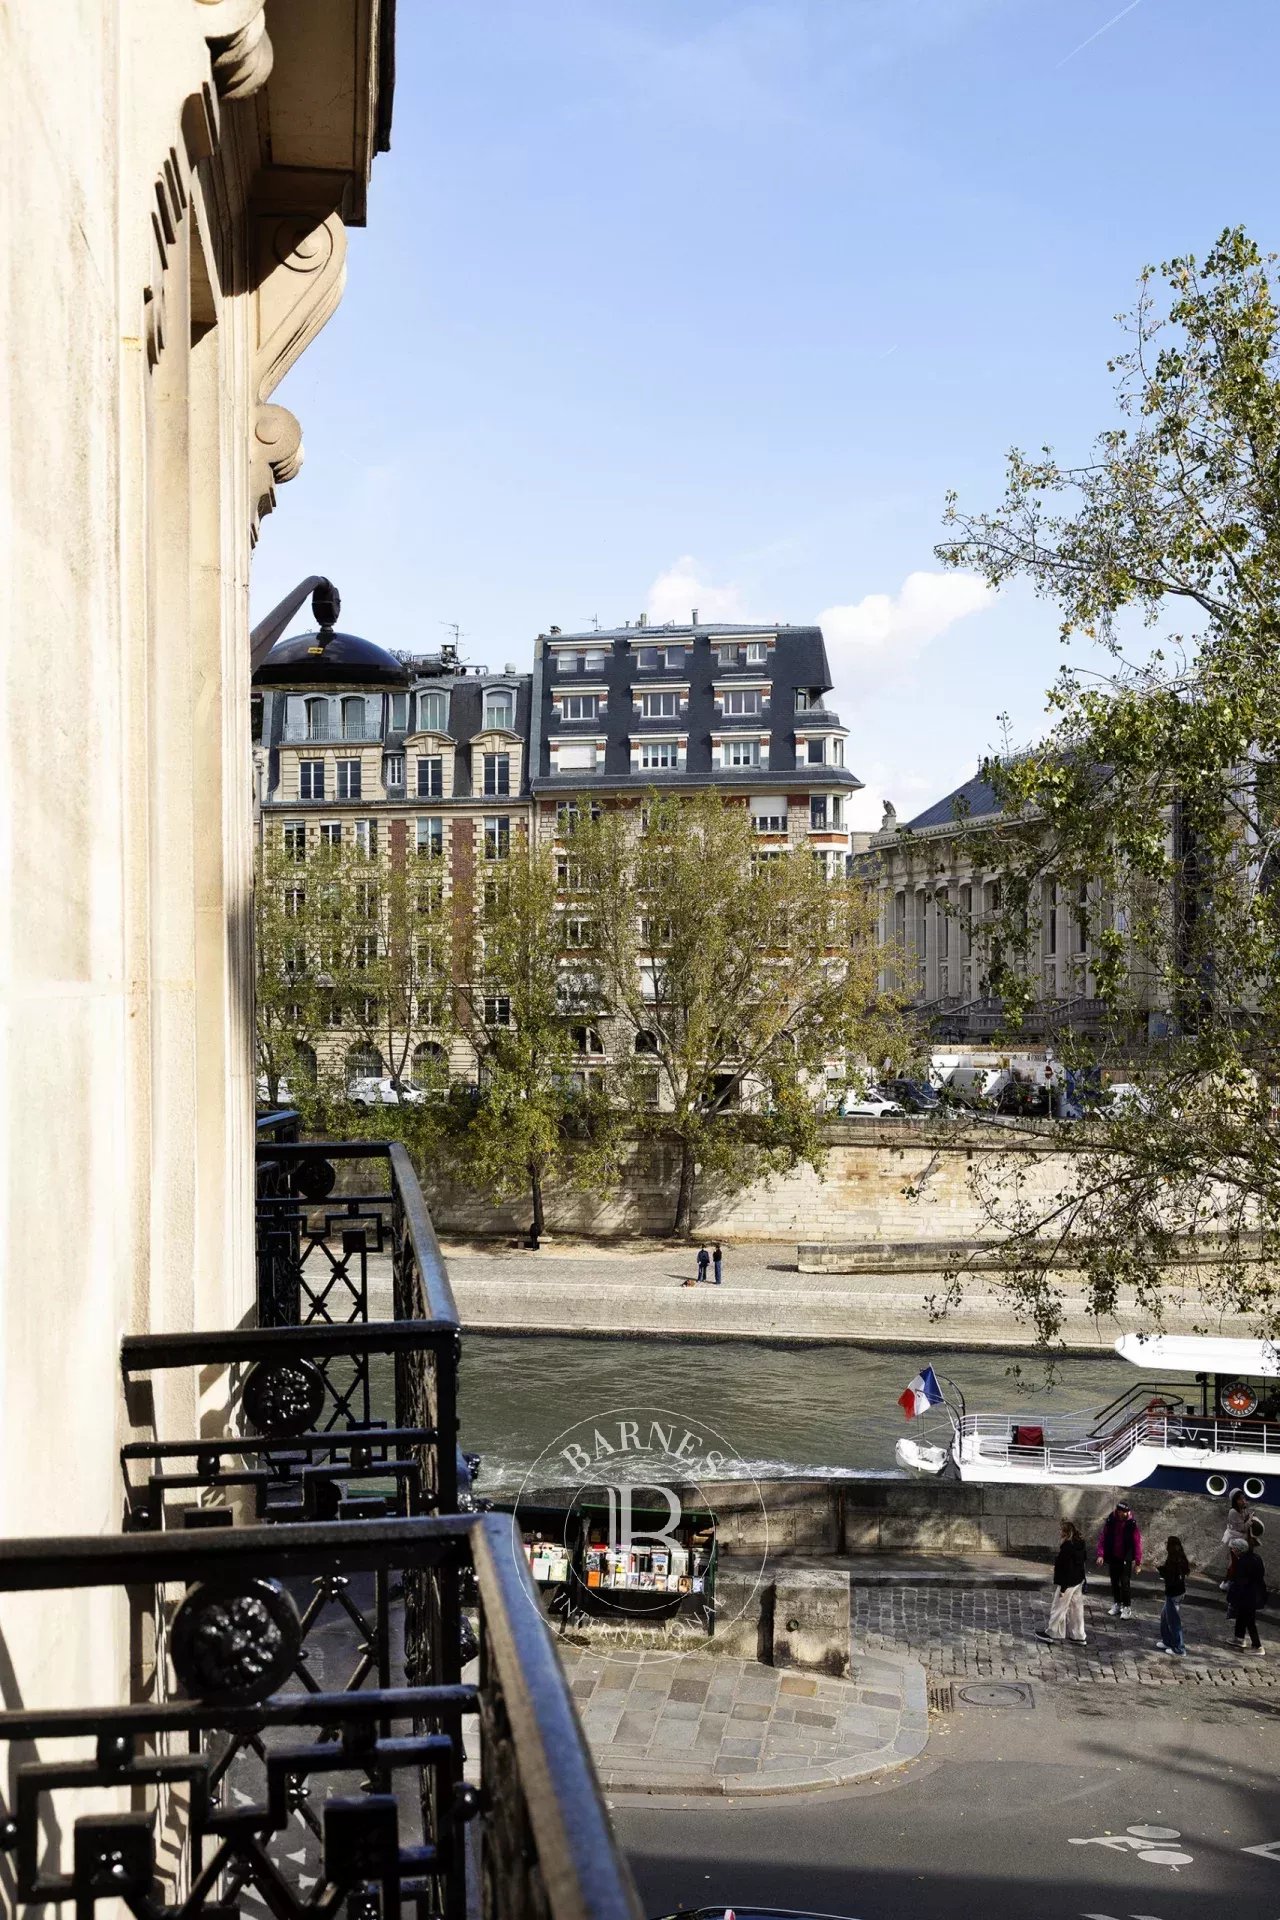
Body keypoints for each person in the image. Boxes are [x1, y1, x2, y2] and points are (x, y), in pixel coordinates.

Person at [1036, 1520, 1087, 1645]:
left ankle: (1051, 1633)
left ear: (1065, 1533)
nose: (1059, 1532)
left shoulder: (1067, 1547)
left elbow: (1066, 1568)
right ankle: (1078, 1635)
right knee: (1076, 1609)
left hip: (1068, 1582)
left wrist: (1063, 1588)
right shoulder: (1079, 1544)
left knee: (1058, 1607)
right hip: (1078, 1581)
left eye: (1061, 1531)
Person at [1226, 1520, 1267, 1656]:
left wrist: (1233, 1596)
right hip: (1255, 1594)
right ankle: (1239, 1638)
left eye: (1233, 1548)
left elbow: (1241, 1582)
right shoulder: (1256, 1558)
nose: (1232, 1550)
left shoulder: (1243, 1562)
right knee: (1242, 1617)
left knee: (1249, 1621)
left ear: (1238, 1550)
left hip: (1248, 1596)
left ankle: (1258, 1646)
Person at [1096, 1500, 1143, 1618]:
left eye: (1126, 1512)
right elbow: (1103, 1537)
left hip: (1125, 1556)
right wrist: (1101, 1554)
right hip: (1113, 1555)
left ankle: (1127, 1607)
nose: (1125, 1514)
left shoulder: (1131, 1524)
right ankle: (1117, 1603)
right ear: (1118, 1511)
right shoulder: (1111, 1520)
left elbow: (1137, 1543)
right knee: (1114, 1582)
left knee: (1125, 1582)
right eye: (1122, 1512)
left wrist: (1138, 1562)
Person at [1155, 1536, 1190, 1656]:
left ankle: (1179, 1649)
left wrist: (1162, 1572)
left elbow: (1172, 1578)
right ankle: (1167, 1641)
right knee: (1165, 1617)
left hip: (1173, 1594)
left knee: (1174, 1622)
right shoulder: (1179, 1557)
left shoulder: (1174, 1560)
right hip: (1177, 1592)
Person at [1222, 1489, 1252, 1588]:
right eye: (1240, 1499)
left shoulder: (1242, 1509)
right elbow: (1242, 1528)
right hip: (1236, 1541)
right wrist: (1250, 1520)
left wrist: (1248, 1515)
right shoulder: (1233, 1512)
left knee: (1238, 1563)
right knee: (1234, 1564)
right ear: (1234, 1501)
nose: (1243, 1501)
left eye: (1243, 1498)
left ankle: (1232, 1581)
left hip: (1242, 1540)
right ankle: (1226, 1583)